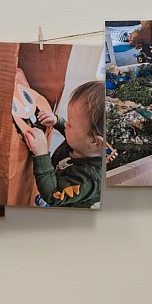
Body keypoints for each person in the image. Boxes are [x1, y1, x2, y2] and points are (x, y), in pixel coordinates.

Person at [15, 80, 105, 209]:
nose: (66, 124)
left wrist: (41, 154)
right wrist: (57, 121)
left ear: (95, 142)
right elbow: (72, 133)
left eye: (71, 124)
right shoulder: (84, 144)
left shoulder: (87, 179)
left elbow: (54, 195)